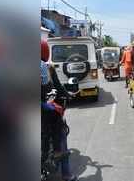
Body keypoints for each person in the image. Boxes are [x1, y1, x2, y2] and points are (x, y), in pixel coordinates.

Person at [41, 39, 78, 181]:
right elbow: (56, 86)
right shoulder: (46, 67)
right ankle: (66, 174)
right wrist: (68, 95)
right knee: (61, 132)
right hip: (44, 108)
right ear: (45, 51)